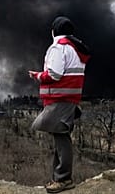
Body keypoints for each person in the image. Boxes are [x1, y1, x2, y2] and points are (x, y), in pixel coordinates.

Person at [28, 16, 90, 193]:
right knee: (59, 137)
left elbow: (54, 74)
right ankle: (58, 178)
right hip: (69, 99)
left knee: (62, 139)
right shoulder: (75, 48)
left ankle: (63, 180)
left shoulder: (59, 47)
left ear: (54, 31)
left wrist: (38, 76)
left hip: (60, 99)